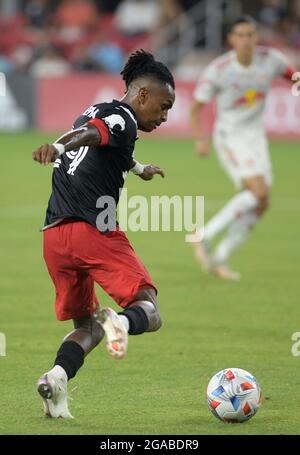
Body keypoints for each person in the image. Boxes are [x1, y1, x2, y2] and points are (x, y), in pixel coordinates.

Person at [32, 49, 175, 418]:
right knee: (150, 310)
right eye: (163, 106)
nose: (164, 116)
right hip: (93, 229)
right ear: (142, 94)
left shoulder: (100, 110)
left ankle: (55, 379)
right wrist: (61, 145)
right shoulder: (120, 119)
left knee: (87, 327)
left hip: (54, 237)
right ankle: (120, 322)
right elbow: (92, 136)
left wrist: (138, 167)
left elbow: (104, 141)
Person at [189, 15, 296, 281]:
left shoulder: (271, 60)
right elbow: (195, 108)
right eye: (241, 35)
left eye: (250, 34)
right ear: (231, 39)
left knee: (262, 203)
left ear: (257, 37)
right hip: (230, 136)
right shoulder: (220, 69)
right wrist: (200, 139)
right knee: (258, 191)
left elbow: (292, 77)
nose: (246, 40)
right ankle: (203, 235)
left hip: (256, 138)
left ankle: (220, 257)